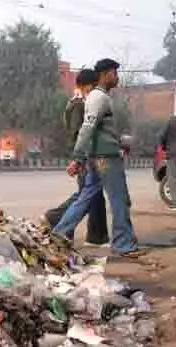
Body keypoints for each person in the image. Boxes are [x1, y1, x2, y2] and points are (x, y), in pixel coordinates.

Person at [53, 58, 144, 258]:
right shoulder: (98, 98)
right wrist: (77, 157)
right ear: (104, 75)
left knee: (85, 199)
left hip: (99, 156)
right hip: (106, 159)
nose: (117, 77)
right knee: (120, 200)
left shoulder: (98, 97)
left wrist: (119, 142)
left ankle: (58, 236)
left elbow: (100, 131)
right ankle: (124, 244)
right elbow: (87, 128)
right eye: (114, 73)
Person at [45, 69, 109, 246]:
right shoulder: (79, 105)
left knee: (91, 195)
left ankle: (97, 236)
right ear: (85, 85)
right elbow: (78, 133)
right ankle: (56, 220)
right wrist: (80, 158)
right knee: (86, 195)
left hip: (87, 154)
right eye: (94, 85)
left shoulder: (83, 103)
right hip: (86, 155)